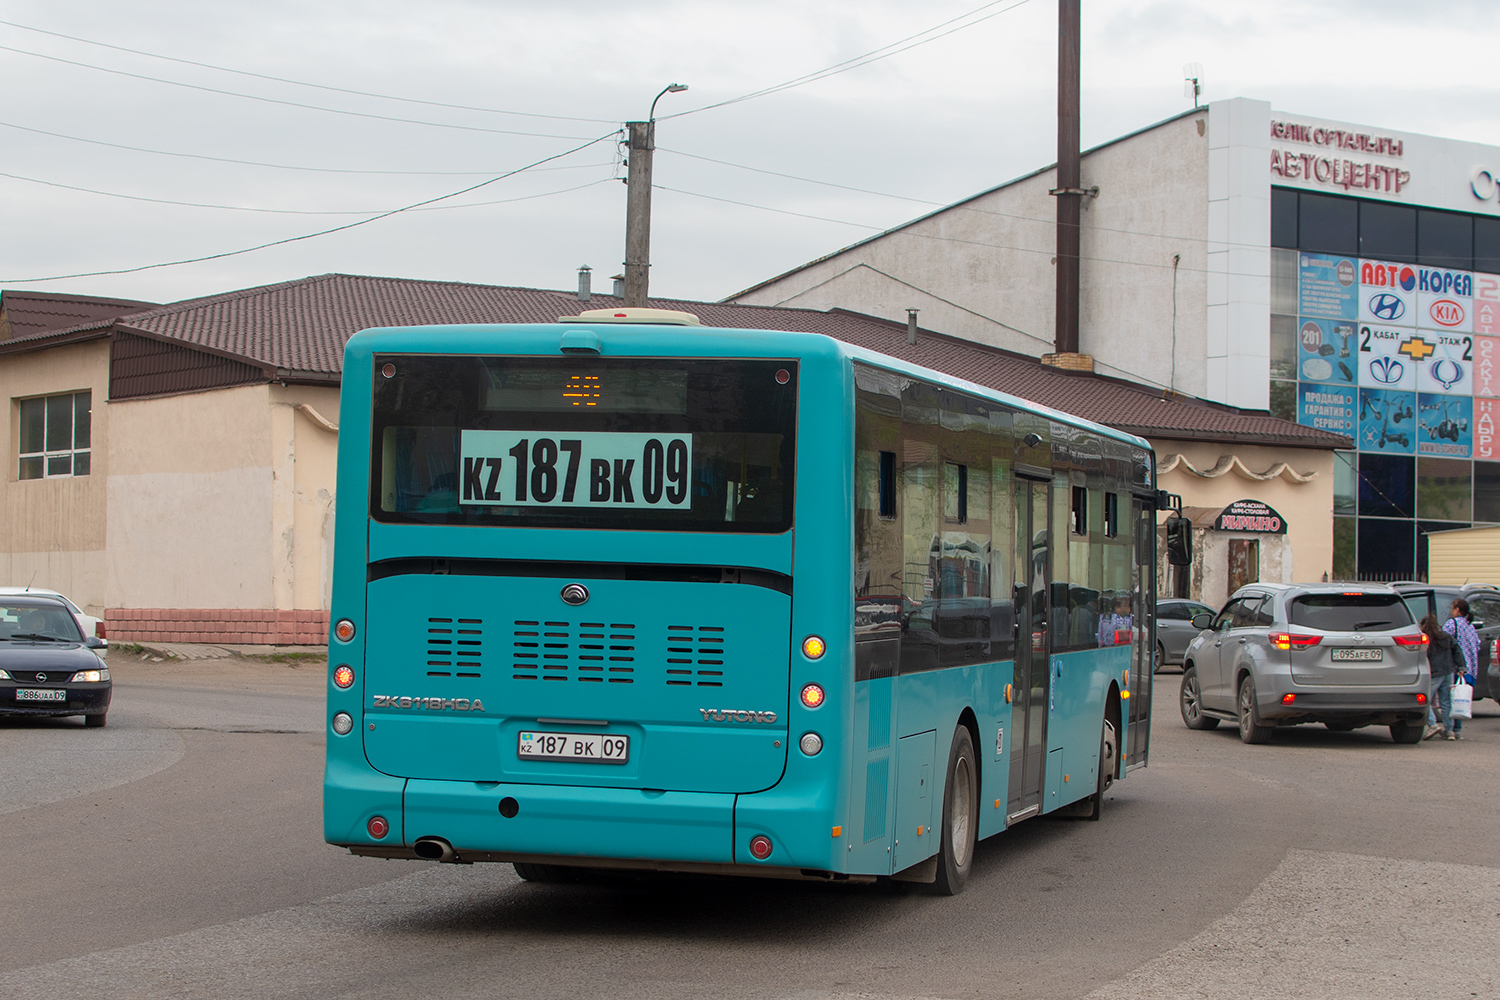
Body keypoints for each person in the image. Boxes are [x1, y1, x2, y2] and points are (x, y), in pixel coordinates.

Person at [1443, 598, 1480, 740]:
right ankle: (1457, 729)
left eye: (1452, 608)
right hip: (1471, 668)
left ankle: (1450, 729)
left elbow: (1444, 641)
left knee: (1451, 698)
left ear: (1457, 610)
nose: (1451, 611)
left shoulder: (1452, 624)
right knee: (1459, 698)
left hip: (1456, 667)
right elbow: (1477, 645)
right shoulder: (1469, 626)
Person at [1421, 614, 1457, 741]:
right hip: (1448, 670)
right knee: (1446, 702)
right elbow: (1457, 649)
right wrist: (1461, 667)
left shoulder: (1426, 638)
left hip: (1434, 672)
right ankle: (1449, 730)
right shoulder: (1446, 637)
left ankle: (1432, 724)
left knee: (1425, 699)